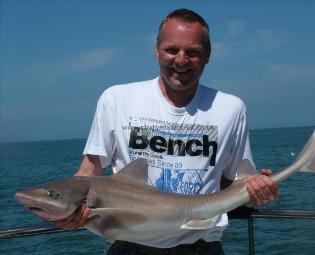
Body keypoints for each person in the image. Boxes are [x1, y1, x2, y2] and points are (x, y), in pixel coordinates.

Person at [56, 8, 279, 255]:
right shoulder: (116, 99)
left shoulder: (231, 108)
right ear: (157, 50)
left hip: (201, 246)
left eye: (192, 52)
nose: (181, 60)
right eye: (172, 50)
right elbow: (89, 172)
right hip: (129, 247)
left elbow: (233, 181)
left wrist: (255, 191)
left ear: (207, 55)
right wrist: (71, 210)